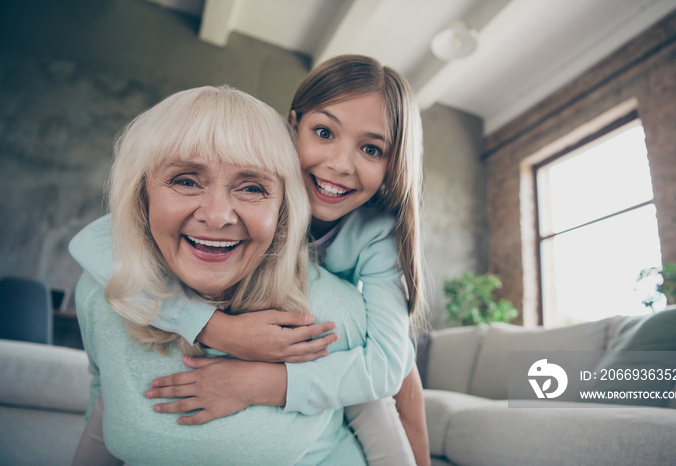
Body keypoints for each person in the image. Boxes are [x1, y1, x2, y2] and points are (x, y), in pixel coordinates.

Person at [72, 55, 430, 465]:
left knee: (391, 385)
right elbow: (95, 243)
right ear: (291, 127)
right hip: (277, 311)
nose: (339, 164)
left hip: (340, 326)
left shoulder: (376, 232)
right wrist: (216, 329)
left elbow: (389, 365)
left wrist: (263, 383)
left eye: (371, 148)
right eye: (324, 132)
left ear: (394, 163)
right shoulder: (256, 164)